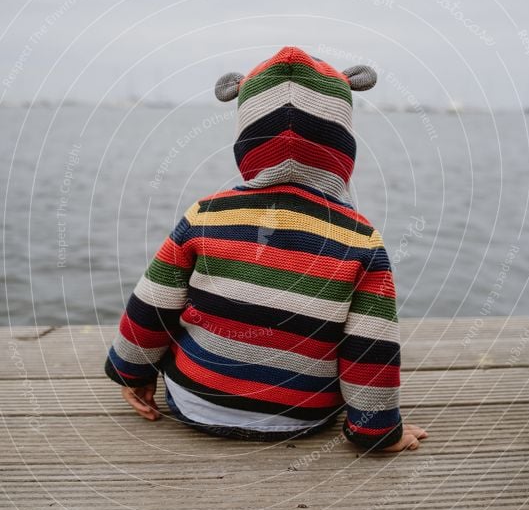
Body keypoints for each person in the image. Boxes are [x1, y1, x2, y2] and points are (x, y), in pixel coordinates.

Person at [104, 46, 428, 453]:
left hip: (192, 401)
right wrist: (378, 431)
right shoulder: (359, 239)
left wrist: (132, 372)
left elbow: (152, 305)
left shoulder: (205, 215)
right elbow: (371, 344)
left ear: (247, 141)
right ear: (341, 146)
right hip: (301, 416)